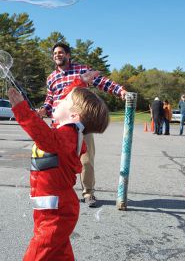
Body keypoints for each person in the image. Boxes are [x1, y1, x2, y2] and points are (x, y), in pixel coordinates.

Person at [8, 73, 110, 261]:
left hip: (57, 212)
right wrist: (80, 82)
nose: (59, 99)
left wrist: (22, 110)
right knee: (58, 252)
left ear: (74, 115)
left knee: (40, 251)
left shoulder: (67, 136)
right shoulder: (69, 130)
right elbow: (71, 95)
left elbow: (44, 137)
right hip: (52, 207)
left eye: (64, 99)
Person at [37, 42, 126, 207]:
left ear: (68, 55)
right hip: (59, 126)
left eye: (61, 52)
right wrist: (43, 111)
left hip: (81, 124)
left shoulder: (81, 71)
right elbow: (50, 101)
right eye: (55, 53)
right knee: (60, 162)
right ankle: (63, 192)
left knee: (86, 160)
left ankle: (88, 193)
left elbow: (102, 82)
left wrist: (120, 90)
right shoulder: (51, 78)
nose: (58, 55)